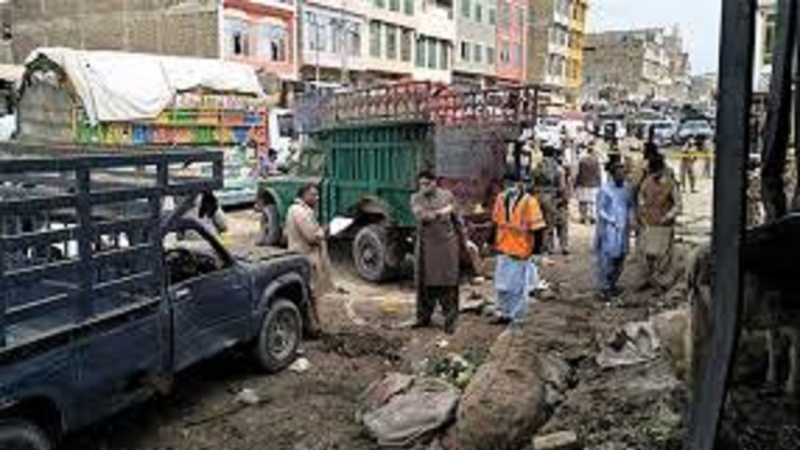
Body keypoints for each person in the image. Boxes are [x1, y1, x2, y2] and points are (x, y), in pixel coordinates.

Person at [410, 170, 462, 334]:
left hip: (446, 246)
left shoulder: (447, 196)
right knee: (424, 284)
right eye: (421, 184)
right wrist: (442, 211)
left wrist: (464, 240)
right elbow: (423, 217)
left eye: (427, 183)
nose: (423, 187)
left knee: (448, 284)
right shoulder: (416, 198)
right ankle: (423, 318)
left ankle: (451, 321)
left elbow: (457, 220)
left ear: (435, 183)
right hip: (425, 246)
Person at [492, 173, 547, 326]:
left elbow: (538, 229)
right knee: (501, 285)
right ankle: (504, 313)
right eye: (507, 184)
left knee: (517, 287)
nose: (509, 187)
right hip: (503, 247)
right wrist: (491, 243)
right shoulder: (500, 199)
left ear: (519, 184)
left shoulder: (530, 202)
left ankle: (517, 317)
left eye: (512, 183)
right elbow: (496, 223)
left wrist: (536, 252)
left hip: (521, 250)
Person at [637, 154, 681, 291]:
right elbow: (641, 199)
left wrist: (667, 217)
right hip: (648, 224)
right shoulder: (646, 182)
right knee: (647, 254)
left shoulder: (671, 184)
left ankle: (661, 283)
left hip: (664, 225)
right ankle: (648, 280)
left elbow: (678, 205)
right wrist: (642, 212)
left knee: (663, 256)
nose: (654, 174)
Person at [595, 160, 635, 302]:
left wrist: (631, 220)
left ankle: (613, 284)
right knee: (607, 260)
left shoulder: (627, 189)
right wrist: (612, 220)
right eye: (619, 174)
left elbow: (631, 206)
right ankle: (603, 288)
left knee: (621, 259)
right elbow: (600, 210)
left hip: (623, 230)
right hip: (609, 230)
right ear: (612, 175)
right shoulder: (604, 189)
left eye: (623, 174)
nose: (622, 176)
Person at [285, 183, 333, 297]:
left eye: (317, 195)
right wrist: (324, 231)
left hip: (302, 256)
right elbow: (311, 238)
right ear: (304, 195)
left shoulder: (297, 209)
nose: (317, 198)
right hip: (306, 257)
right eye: (313, 195)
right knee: (311, 292)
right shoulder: (300, 212)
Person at [575, 146, 602, 224]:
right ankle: (593, 217)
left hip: (583, 183)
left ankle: (583, 217)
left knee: (583, 202)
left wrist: (576, 183)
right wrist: (600, 183)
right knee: (593, 202)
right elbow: (598, 174)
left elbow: (579, 173)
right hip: (594, 184)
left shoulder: (582, 161)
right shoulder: (596, 161)